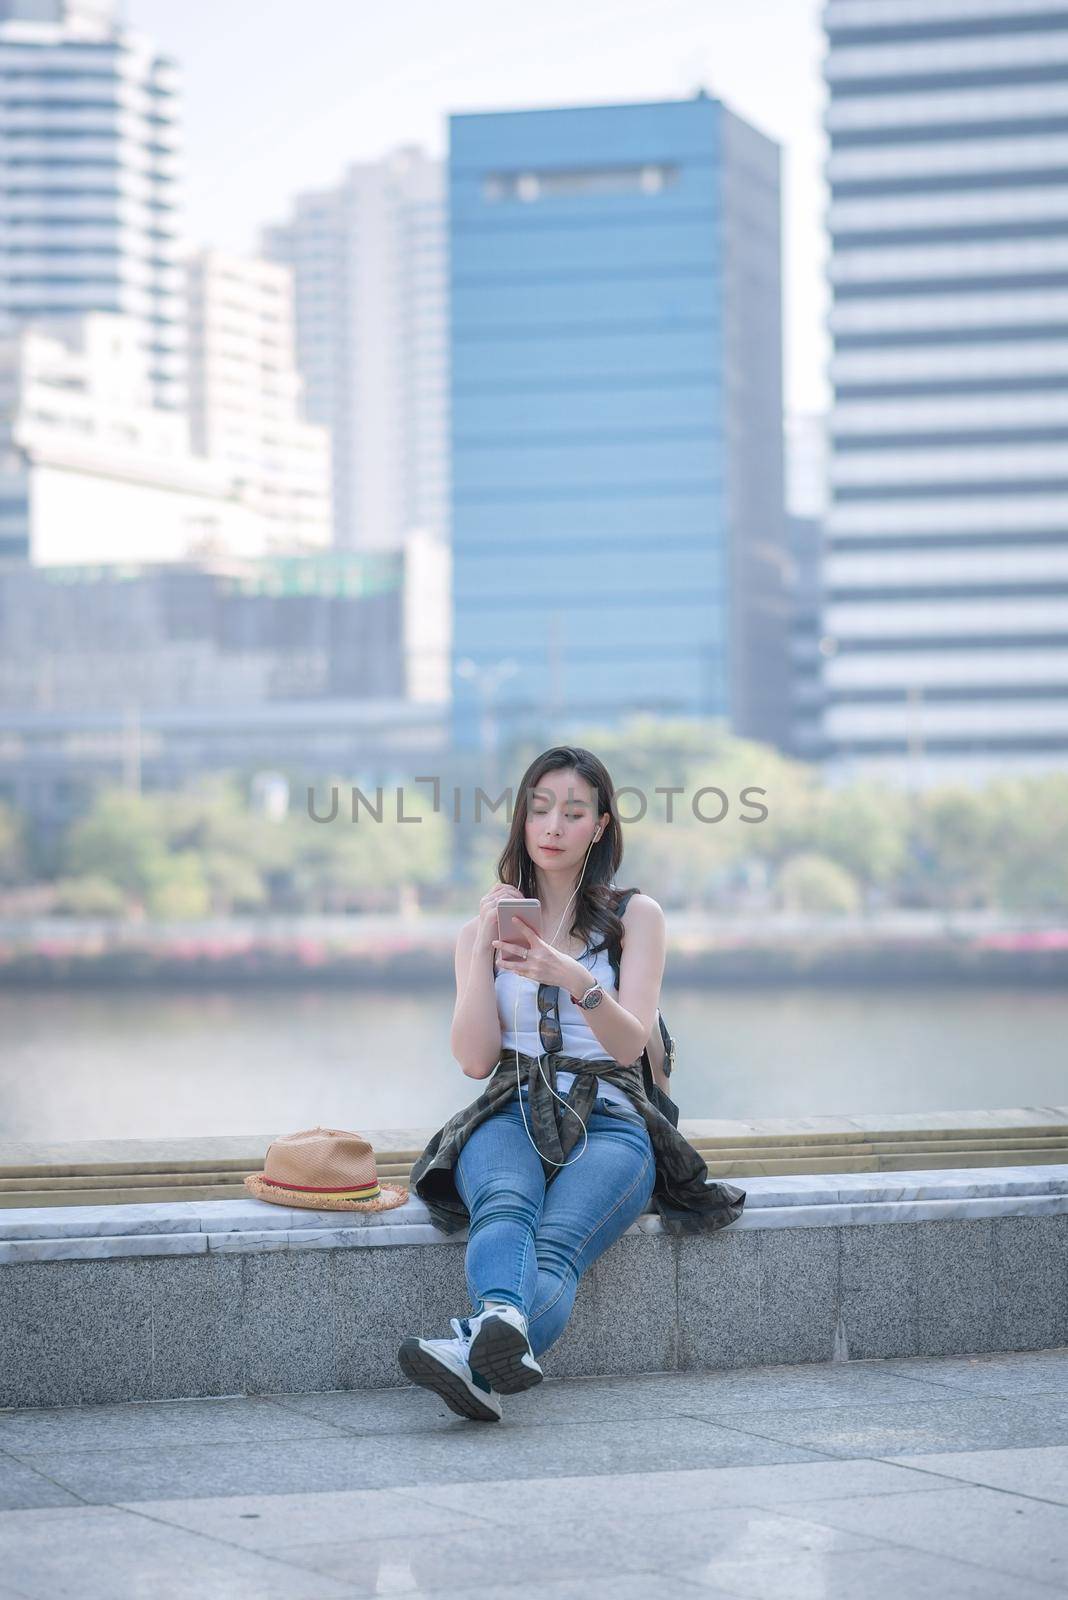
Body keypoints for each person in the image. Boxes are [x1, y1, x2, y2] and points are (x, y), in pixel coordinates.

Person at [399, 744, 746, 1422]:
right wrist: (478, 953)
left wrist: (572, 976)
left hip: (613, 1118)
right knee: (503, 1202)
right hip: (512, 1108)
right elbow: (474, 1060)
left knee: (557, 1244)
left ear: (601, 826)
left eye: (574, 812)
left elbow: (626, 1042)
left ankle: (475, 1355)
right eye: (540, 809)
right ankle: (492, 1341)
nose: (554, 825)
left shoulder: (635, 917)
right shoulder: (481, 930)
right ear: (522, 822)